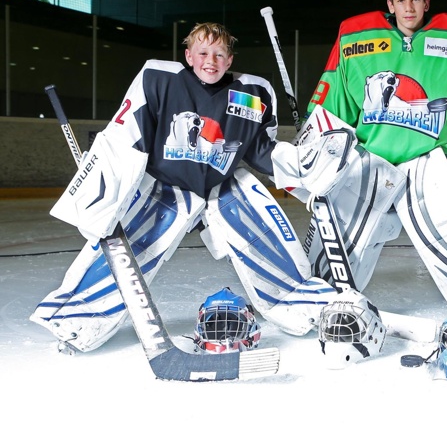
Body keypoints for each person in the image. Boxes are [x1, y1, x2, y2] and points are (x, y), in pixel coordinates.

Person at [31, 22, 339, 353]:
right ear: (188, 55)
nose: (211, 60)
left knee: (264, 237)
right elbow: (126, 135)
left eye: (219, 54)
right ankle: (79, 318)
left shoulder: (254, 93)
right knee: (131, 249)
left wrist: (305, 164)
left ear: (230, 59)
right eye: (203, 52)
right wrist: (103, 187)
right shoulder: (158, 79)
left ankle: (304, 305)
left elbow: (261, 150)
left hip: (223, 187)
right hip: (165, 188)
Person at [273, 0, 447, 324]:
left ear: (427, 3)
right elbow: (334, 104)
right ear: (390, 4)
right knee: (339, 251)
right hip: (370, 160)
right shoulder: (354, 38)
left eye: (416, 0)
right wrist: (313, 142)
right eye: (402, 1)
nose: (409, 8)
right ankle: (320, 303)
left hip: (433, 161)